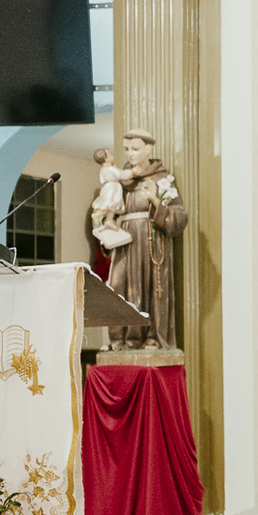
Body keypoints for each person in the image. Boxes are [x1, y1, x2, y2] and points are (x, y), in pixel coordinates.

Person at [107, 129, 188, 350]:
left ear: (148, 149)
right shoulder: (121, 180)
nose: (130, 154)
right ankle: (121, 339)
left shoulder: (161, 180)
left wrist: (155, 200)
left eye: (135, 149)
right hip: (124, 242)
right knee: (119, 286)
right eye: (126, 149)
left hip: (150, 242)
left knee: (151, 288)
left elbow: (179, 218)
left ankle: (152, 336)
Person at [89, 147, 132, 249]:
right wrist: (133, 172)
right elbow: (121, 174)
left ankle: (109, 220)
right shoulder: (110, 169)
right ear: (106, 159)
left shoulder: (105, 169)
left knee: (113, 205)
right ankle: (97, 215)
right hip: (112, 189)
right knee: (109, 204)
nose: (113, 156)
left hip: (112, 187)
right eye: (110, 155)